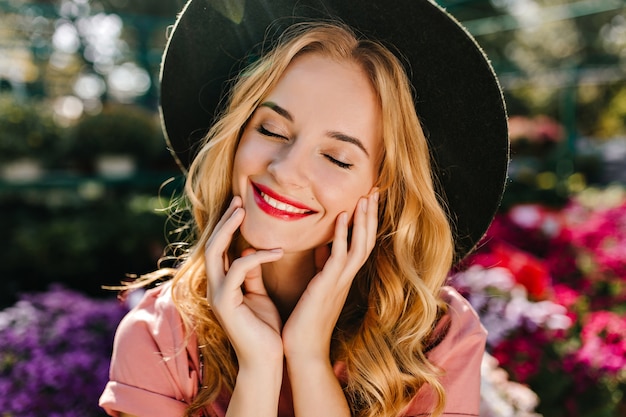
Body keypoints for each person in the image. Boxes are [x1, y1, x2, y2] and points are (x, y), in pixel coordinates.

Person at [99, 1, 509, 417]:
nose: (286, 170)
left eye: (337, 158)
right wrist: (259, 369)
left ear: (382, 189)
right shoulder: (158, 336)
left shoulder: (436, 337)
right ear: (236, 134)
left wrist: (308, 356)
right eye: (272, 129)